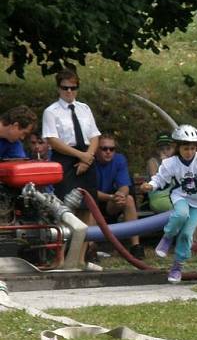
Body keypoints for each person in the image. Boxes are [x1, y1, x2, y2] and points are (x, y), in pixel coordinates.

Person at [140, 124, 197, 283]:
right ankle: (167, 238)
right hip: (180, 197)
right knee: (180, 214)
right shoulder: (170, 163)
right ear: (178, 147)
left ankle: (177, 266)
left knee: (187, 234)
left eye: (193, 148)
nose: (190, 152)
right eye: (186, 148)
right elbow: (160, 178)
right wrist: (150, 185)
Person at [41, 69, 102, 271]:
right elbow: (53, 140)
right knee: (65, 209)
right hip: (66, 158)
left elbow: (94, 136)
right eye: (65, 88)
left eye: (73, 88)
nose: (69, 92)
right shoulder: (51, 111)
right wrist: (79, 156)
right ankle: (60, 258)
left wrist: (88, 157)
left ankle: (80, 257)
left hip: (87, 156)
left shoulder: (84, 108)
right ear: (58, 88)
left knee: (87, 208)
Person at [94, 135, 145, 259]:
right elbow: (89, 193)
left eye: (112, 149)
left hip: (109, 203)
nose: (108, 152)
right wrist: (112, 197)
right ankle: (90, 248)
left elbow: (125, 186)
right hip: (92, 202)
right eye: (104, 148)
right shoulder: (89, 161)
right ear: (96, 149)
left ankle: (135, 246)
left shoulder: (119, 159)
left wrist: (120, 195)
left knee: (128, 200)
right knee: (88, 205)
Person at [142, 131, 175, 213]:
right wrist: (165, 163)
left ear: (174, 149)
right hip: (159, 197)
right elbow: (157, 181)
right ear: (157, 150)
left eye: (168, 148)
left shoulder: (176, 161)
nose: (165, 151)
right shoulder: (152, 162)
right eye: (161, 149)